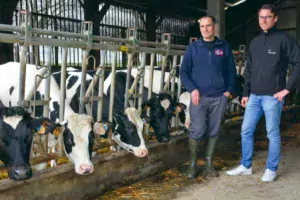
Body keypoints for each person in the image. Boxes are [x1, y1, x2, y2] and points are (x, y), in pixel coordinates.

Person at [226, 4, 300, 182]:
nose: (264, 21)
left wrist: (287, 89)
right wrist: (245, 93)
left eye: (268, 17)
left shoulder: (284, 39)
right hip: (254, 96)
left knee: (272, 133)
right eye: (261, 17)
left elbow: (298, 63)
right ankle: (246, 165)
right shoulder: (255, 42)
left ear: (275, 19)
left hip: (272, 97)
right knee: (245, 130)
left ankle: (271, 169)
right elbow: (249, 70)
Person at [180, 15, 237, 178]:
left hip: (220, 96)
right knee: (197, 130)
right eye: (202, 26)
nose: (205, 29)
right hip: (199, 97)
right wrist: (192, 89)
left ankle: (208, 163)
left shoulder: (223, 47)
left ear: (214, 27)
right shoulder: (193, 48)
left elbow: (231, 71)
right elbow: (184, 72)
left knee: (215, 129)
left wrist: (228, 92)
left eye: (208, 26)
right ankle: (192, 164)